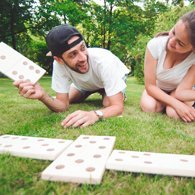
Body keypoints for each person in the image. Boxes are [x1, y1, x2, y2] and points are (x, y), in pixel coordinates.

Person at [14, 24, 130, 127]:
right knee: (69, 99)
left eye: (83, 48)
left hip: (113, 76)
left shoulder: (104, 61)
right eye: (73, 54)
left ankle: (116, 92)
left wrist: (94, 115)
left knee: (107, 103)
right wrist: (43, 96)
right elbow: (62, 105)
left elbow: (117, 108)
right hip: (84, 84)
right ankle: (106, 91)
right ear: (59, 59)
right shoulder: (58, 65)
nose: (83, 58)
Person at [140, 10, 195, 122]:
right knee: (149, 107)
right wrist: (176, 104)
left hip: (178, 91)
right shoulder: (155, 45)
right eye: (174, 32)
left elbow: (181, 92)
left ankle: (168, 106)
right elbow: (150, 86)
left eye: (180, 43)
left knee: (173, 113)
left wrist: (175, 104)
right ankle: (167, 104)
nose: (171, 41)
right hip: (157, 88)